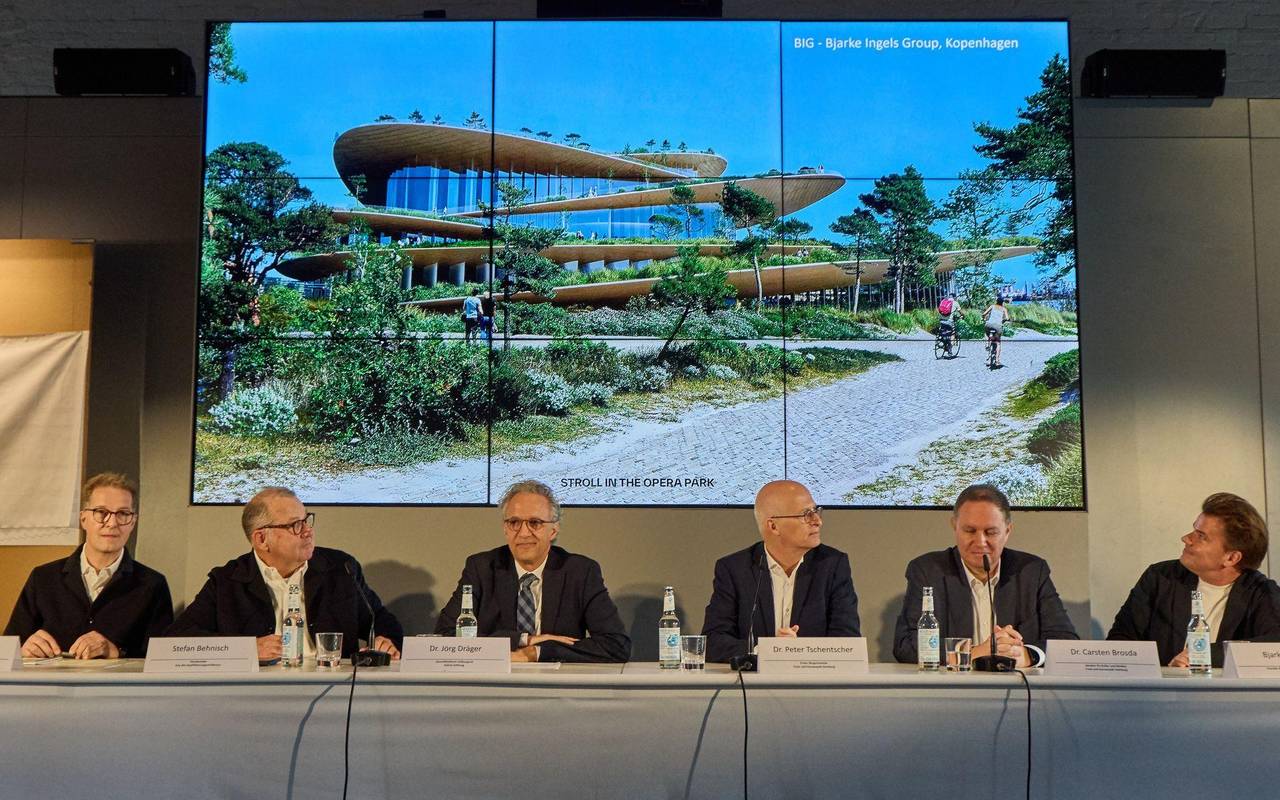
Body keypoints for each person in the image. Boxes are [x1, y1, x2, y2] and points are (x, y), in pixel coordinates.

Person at [167, 487, 402, 662]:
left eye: (307, 520)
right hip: (256, 692)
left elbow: (381, 621)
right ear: (261, 539)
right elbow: (178, 640)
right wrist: (247, 650)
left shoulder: (340, 568)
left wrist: (385, 642)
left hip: (332, 688)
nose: (308, 531)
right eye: (295, 525)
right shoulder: (228, 581)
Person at [434, 480, 630, 663]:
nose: (524, 533)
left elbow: (616, 645)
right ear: (505, 528)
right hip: (493, 684)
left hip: (557, 690)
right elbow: (446, 634)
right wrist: (524, 640)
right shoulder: (481, 568)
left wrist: (537, 652)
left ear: (553, 530)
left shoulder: (580, 572)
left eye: (535, 523)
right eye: (514, 523)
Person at [893, 484, 1078, 667]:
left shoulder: (1032, 571)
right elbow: (906, 646)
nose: (980, 542)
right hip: (951, 690)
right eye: (970, 531)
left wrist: (1027, 655)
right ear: (954, 527)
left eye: (991, 532)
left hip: (1018, 690)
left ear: (1007, 531)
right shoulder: (927, 571)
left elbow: (1065, 641)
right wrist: (976, 652)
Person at [5, 472, 173, 658]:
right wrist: (22, 650)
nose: (112, 523)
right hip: (52, 686)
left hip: (119, 687)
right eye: (101, 512)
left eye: (123, 514)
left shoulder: (152, 584)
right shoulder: (43, 578)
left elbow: (162, 658)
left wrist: (116, 651)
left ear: (133, 522)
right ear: (83, 519)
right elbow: (9, 648)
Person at [1107, 492, 1280, 667]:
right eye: (1194, 530)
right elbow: (1120, 642)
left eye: (1201, 536)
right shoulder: (1161, 578)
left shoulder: (1261, 592)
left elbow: (1274, 646)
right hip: (1160, 692)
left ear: (1231, 558)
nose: (1186, 538)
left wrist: (1203, 655)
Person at [702, 480, 860, 664]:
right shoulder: (734, 569)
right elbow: (713, 641)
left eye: (816, 511)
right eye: (806, 514)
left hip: (813, 683)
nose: (817, 521)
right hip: (753, 687)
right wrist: (767, 650)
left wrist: (796, 650)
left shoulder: (832, 565)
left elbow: (847, 641)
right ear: (773, 526)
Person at [982, 295, 1008, 368]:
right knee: (998, 343)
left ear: (996, 301)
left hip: (989, 324)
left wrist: (983, 318)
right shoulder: (1004, 309)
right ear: (1002, 302)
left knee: (986, 333)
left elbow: (984, 314)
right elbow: (1007, 318)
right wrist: (1004, 320)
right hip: (998, 326)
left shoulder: (992, 306)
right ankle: (997, 360)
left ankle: (987, 343)